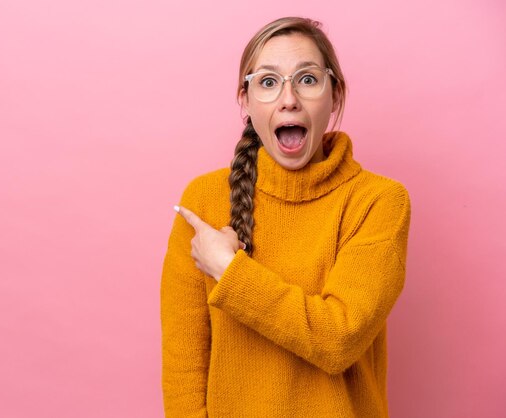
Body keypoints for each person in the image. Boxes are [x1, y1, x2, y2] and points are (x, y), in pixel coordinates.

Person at [160, 16, 411, 418]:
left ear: (335, 95)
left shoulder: (379, 201)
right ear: (245, 100)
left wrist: (229, 270)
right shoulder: (205, 200)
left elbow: (338, 339)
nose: (289, 98)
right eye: (268, 81)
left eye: (307, 79)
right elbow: (184, 367)